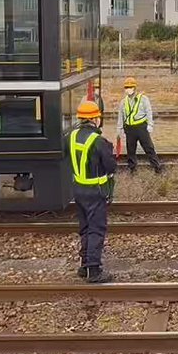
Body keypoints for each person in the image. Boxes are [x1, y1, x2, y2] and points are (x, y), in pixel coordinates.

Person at [67, 99, 117, 283]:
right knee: (96, 229)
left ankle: (84, 265)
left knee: (85, 228)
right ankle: (93, 271)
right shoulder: (98, 141)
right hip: (96, 191)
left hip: (78, 190)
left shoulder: (71, 136)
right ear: (95, 119)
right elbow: (111, 167)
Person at [117, 76, 163, 175]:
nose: (128, 89)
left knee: (149, 148)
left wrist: (150, 125)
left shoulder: (143, 99)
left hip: (141, 128)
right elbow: (121, 116)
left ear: (135, 88)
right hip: (129, 129)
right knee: (131, 150)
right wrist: (120, 129)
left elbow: (148, 112)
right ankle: (132, 170)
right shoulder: (123, 102)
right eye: (127, 87)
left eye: (130, 87)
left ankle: (157, 168)